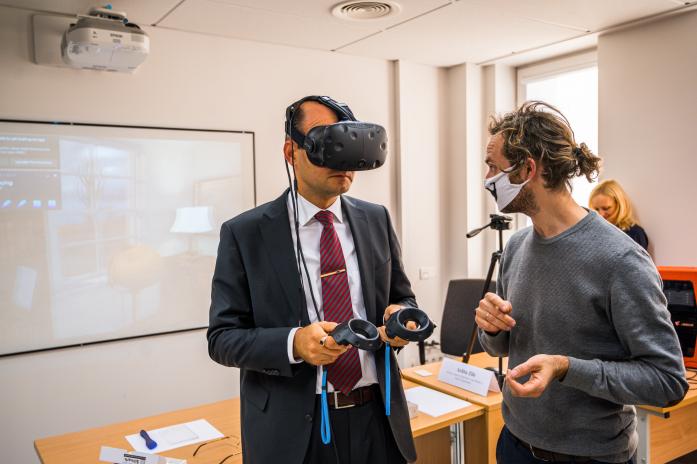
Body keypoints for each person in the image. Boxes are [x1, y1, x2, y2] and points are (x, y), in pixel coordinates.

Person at [207, 95, 417, 464]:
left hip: (377, 418)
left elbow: (403, 299)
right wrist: (294, 343)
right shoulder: (245, 233)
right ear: (291, 152)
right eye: (328, 143)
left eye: (350, 144)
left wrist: (400, 317)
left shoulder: (376, 219)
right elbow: (222, 338)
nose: (344, 159)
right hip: (293, 433)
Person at [475, 101, 687, 463]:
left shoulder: (621, 259)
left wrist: (567, 368)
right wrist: (491, 328)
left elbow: (667, 381)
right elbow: (501, 347)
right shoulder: (516, 247)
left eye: (494, 166)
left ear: (528, 169)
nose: (487, 178)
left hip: (591, 456)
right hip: (515, 444)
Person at [589, 179, 649, 250]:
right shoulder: (592, 230)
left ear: (619, 205)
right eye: (596, 209)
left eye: (606, 208)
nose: (601, 214)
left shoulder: (634, 233)